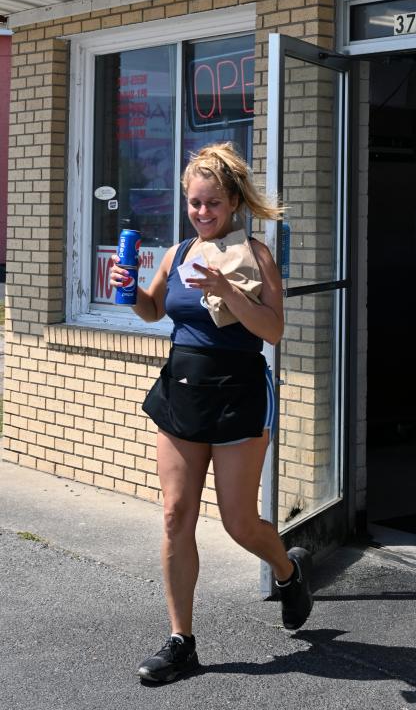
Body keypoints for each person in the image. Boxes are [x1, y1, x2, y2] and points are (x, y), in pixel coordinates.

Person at [109, 141, 313, 685]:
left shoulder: (257, 255)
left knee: (239, 522)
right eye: (195, 203)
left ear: (235, 203)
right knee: (176, 515)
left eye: (213, 204)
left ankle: (289, 571)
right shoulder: (176, 254)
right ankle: (182, 643)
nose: (202, 213)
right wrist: (129, 294)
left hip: (239, 390)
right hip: (182, 388)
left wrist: (227, 288)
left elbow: (272, 331)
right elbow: (154, 309)